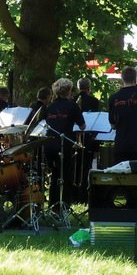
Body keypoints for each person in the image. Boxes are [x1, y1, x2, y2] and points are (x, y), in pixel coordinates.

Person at [43, 77, 86, 206]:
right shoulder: (72, 106)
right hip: (64, 144)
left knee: (55, 174)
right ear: (69, 91)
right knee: (66, 174)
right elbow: (82, 126)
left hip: (49, 144)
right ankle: (64, 204)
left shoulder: (50, 106)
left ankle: (53, 203)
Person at [108, 66, 137, 165]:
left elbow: (113, 125)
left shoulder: (113, 98)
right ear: (135, 77)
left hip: (121, 144)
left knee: (121, 173)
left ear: (122, 78)